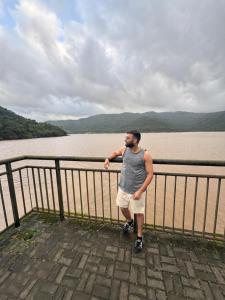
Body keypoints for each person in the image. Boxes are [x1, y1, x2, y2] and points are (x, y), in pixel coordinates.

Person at [104, 130, 154, 252]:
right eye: (126, 138)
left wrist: (140, 191)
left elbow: (150, 174)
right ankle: (129, 221)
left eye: (128, 138)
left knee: (139, 213)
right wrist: (107, 159)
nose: (125, 140)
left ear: (135, 140)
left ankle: (139, 238)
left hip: (137, 190)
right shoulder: (124, 150)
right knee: (122, 206)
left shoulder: (145, 154)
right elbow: (115, 153)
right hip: (123, 187)